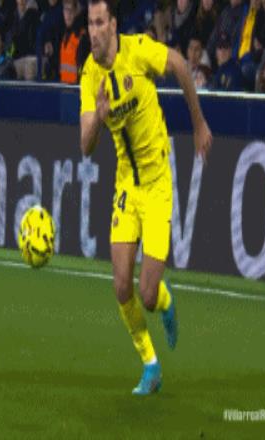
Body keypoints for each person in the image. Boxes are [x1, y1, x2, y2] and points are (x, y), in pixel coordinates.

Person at [80, 0, 212, 395]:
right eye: (89, 23)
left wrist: (199, 123)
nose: (93, 31)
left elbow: (180, 65)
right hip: (127, 186)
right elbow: (85, 146)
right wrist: (98, 118)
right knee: (122, 286)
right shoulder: (89, 75)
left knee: (148, 294)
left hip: (156, 184)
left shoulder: (138, 50)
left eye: (99, 22)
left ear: (113, 25)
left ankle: (166, 302)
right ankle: (150, 365)